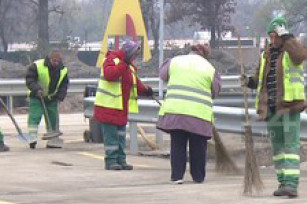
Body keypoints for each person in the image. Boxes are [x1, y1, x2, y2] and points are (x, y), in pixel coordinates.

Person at [243, 16, 307, 198]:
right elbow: (258, 80)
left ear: (281, 34)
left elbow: (301, 56)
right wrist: (248, 82)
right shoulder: (266, 55)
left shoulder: (291, 52)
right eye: (270, 36)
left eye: (275, 35)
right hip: (271, 109)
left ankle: (292, 184)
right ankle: (282, 182)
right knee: (278, 147)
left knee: (291, 146)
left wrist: (287, 37)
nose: (272, 40)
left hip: (289, 107)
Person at [157, 44, 221, 184]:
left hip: (176, 112)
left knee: (177, 144)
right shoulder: (210, 69)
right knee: (198, 146)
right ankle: (198, 177)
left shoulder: (175, 61)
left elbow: (162, 74)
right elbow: (215, 90)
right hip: (198, 115)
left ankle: (177, 176)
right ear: (205, 54)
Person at [93, 40, 153, 170]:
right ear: (128, 53)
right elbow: (110, 75)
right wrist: (123, 63)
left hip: (121, 108)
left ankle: (121, 159)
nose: (135, 58)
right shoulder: (111, 60)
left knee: (120, 136)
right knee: (111, 137)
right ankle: (111, 160)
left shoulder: (128, 66)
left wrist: (146, 91)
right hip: (108, 107)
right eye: (134, 54)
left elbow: (134, 83)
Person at [25, 49, 69, 149]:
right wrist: (37, 89)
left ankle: (52, 140)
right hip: (36, 96)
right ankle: (32, 138)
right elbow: (30, 79)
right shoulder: (37, 66)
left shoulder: (63, 70)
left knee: (53, 118)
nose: (56, 63)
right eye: (54, 61)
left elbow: (64, 85)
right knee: (35, 116)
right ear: (49, 59)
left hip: (51, 97)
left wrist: (60, 97)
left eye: (58, 61)